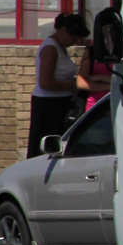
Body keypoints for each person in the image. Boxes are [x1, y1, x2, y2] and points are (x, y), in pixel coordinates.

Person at [28, 13, 91, 158]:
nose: (74, 42)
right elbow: (45, 83)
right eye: (73, 37)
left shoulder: (61, 48)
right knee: (49, 147)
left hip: (61, 102)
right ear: (63, 30)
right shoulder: (50, 48)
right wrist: (75, 85)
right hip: (49, 105)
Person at [78, 41, 112, 111]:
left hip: (119, 103)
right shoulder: (91, 52)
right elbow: (81, 83)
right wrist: (109, 87)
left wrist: (99, 77)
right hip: (95, 106)